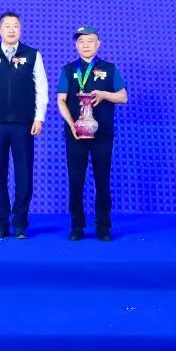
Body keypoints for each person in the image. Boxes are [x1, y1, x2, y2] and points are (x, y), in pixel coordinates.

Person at [0, 12, 48, 239]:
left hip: (23, 125)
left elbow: (42, 88)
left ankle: (20, 223)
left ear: (20, 29)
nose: (11, 30)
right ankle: (1, 223)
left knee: (24, 174)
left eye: (15, 26)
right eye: (7, 26)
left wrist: (39, 117)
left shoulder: (32, 55)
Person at [57, 26, 128, 241]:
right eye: (81, 41)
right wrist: (72, 125)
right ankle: (77, 226)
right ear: (76, 45)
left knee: (102, 180)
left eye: (90, 41)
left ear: (98, 44)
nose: (85, 45)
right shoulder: (68, 70)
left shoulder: (110, 68)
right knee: (76, 181)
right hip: (76, 134)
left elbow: (123, 96)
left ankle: (103, 227)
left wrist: (105, 94)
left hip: (102, 134)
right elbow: (61, 100)